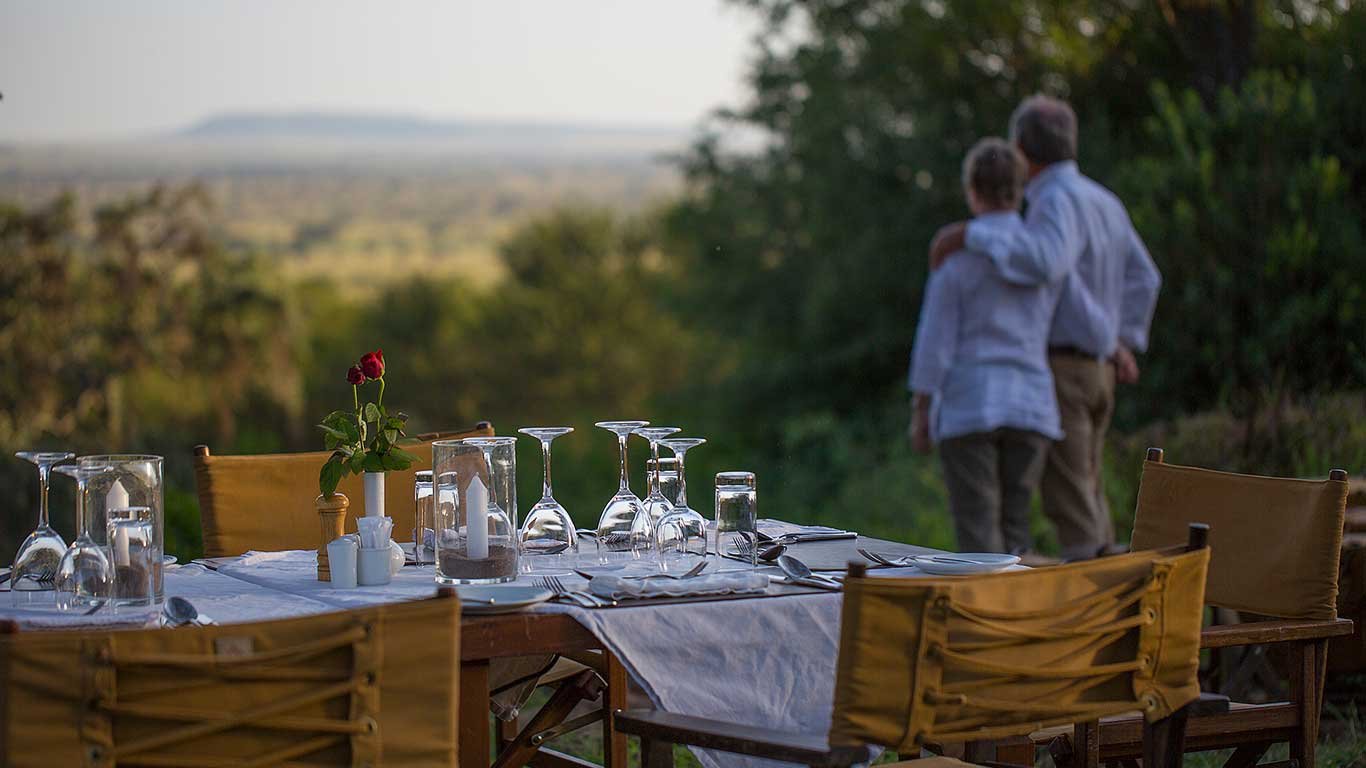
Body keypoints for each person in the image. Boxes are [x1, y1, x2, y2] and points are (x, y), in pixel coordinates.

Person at [928, 95, 1161, 560]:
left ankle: (1104, 620)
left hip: (1061, 369)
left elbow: (1045, 263)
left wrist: (967, 235)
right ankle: (1117, 608)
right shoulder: (1104, 200)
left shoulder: (1053, 201)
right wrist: (1121, 340)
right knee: (1089, 492)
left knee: (1072, 506)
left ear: (1020, 149)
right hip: (1099, 369)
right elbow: (1145, 277)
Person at [909, 137, 1078, 555]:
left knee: (978, 533)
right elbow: (1081, 313)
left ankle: (982, 620)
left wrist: (921, 410)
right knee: (1017, 531)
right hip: (1030, 404)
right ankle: (1019, 617)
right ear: (1020, 191)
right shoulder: (1045, 257)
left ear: (972, 190)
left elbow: (936, 341)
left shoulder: (955, 260)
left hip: (971, 404)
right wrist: (1116, 347)